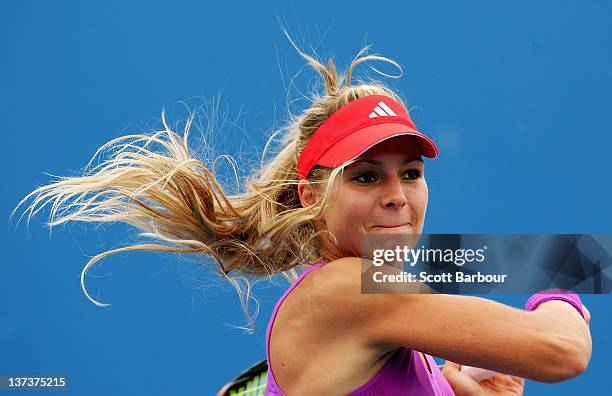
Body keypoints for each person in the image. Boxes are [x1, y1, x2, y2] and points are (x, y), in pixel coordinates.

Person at [13, 29, 591, 396]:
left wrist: (457, 386)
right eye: (366, 177)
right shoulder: (354, 288)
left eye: (410, 174)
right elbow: (561, 351)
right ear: (312, 196)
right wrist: (564, 298)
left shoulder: (374, 297)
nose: (397, 195)